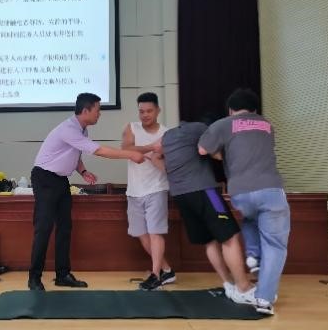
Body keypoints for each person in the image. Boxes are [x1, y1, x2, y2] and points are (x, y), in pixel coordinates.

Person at [28, 93, 146, 291]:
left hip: (60, 180)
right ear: (85, 111)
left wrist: (83, 171)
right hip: (45, 178)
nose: (100, 114)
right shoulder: (69, 129)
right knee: (44, 228)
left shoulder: (81, 129)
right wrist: (131, 154)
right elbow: (99, 151)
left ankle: (63, 275)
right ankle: (34, 278)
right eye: (98, 110)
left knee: (65, 228)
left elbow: (74, 153)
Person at [198, 88, 290, 315]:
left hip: (240, 191)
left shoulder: (223, 124)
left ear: (230, 109)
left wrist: (222, 155)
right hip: (270, 188)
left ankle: (253, 255)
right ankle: (264, 299)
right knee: (275, 245)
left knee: (250, 218)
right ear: (255, 110)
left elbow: (202, 149)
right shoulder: (267, 125)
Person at [155, 115, 255, 304]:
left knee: (209, 241)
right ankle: (243, 288)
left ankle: (229, 284)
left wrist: (173, 174)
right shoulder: (201, 128)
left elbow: (155, 154)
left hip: (180, 195)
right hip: (206, 191)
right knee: (229, 236)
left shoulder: (168, 136)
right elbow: (213, 152)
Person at [121, 92, 175, 291]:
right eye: (141, 111)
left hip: (157, 188)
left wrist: (152, 152)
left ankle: (156, 275)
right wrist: (151, 147)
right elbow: (126, 149)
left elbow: (168, 162)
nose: (145, 115)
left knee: (155, 232)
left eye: (149, 111)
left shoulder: (167, 133)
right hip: (134, 190)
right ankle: (167, 270)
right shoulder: (131, 127)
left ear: (158, 110)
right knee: (141, 233)